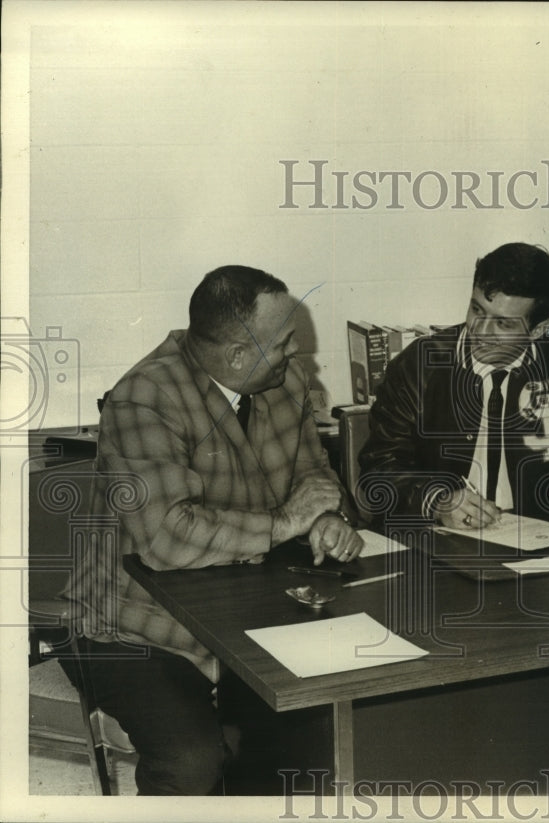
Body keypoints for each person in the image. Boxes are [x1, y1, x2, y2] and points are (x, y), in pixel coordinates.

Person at [60, 265, 362, 795]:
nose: (300, 355)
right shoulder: (144, 397)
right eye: (286, 343)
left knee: (316, 732)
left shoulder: (283, 380)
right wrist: (286, 521)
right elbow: (167, 538)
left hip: (239, 614)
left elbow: (312, 472)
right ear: (238, 357)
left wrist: (326, 516)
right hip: (134, 628)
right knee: (192, 759)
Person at [358, 242, 549, 528]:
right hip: (438, 537)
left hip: (539, 537)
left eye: (503, 325)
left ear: (538, 330)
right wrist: (436, 501)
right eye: (477, 309)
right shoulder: (418, 367)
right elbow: (379, 467)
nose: (480, 331)